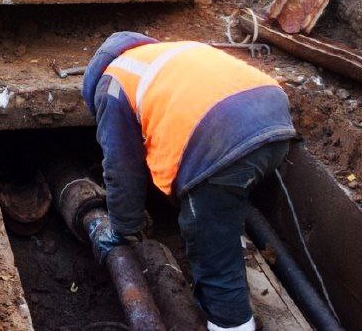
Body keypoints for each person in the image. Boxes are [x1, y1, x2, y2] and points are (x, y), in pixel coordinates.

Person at [82, 31, 297, 331]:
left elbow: (122, 168)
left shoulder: (111, 85)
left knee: (214, 265)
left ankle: (232, 324)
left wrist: (122, 229)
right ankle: (227, 239)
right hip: (274, 116)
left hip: (220, 139)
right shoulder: (168, 54)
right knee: (221, 206)